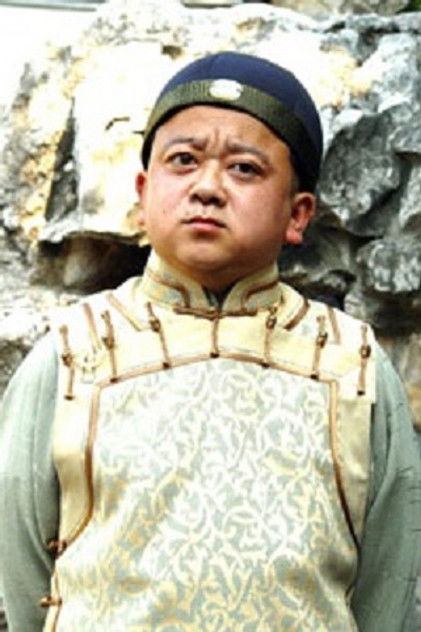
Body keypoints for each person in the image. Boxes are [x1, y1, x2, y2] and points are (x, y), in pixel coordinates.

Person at [0, 51, 420, 632]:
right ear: (143, 191)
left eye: (244, 168)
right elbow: (24, 578)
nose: (207, 187)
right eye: (183, 160)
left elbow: (389, 589)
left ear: (298, 214)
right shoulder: (73, 356)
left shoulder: (354, 367)